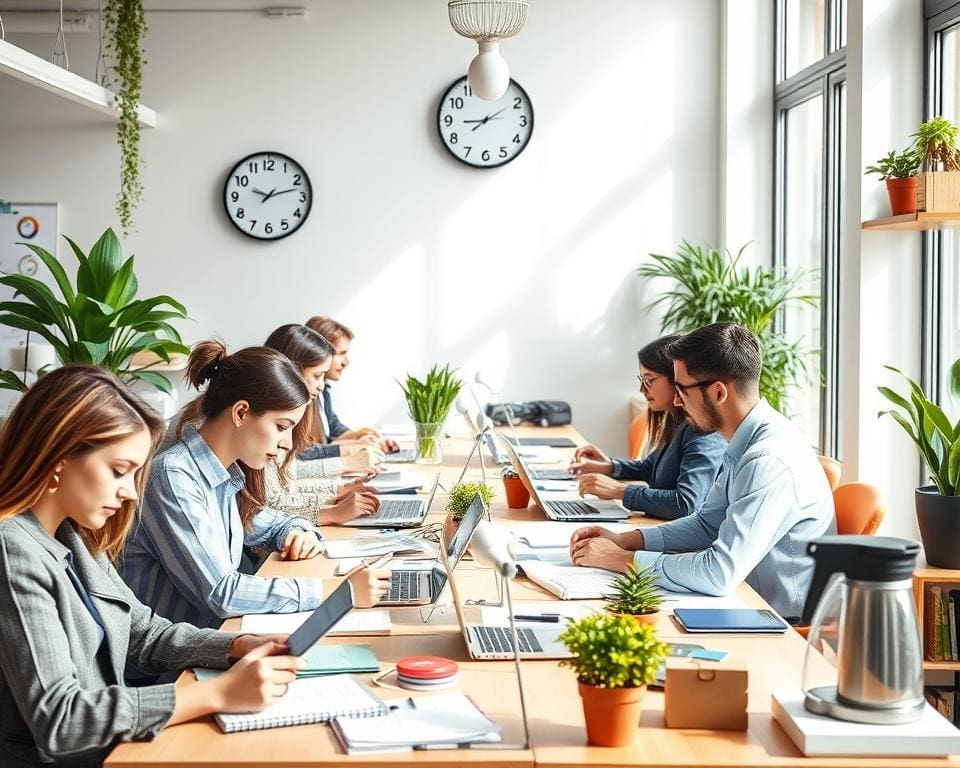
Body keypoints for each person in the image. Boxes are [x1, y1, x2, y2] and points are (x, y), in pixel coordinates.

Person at [0, 366, 309, 768]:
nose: (130, 492)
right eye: (118, 471)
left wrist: (233, 646)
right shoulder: (14, 550)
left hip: (116, 747)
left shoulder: (74, 534)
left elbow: (143, 632)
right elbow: (63, 718)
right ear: (60, 456)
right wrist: (217, 694)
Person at [569, 323, 835, 620]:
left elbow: (719, 573)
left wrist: (623, 560)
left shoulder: (767, 460)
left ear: (719, 392)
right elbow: (707, 524)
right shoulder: (745, 440)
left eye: (682, 388)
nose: (677, 401)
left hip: (776, 622)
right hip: (745, 600)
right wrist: (629, 540)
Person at [122, 341, 389, 629]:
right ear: (240, 413)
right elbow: (222, 593)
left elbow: (270, 522)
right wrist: (337, 591)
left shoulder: (227, 473)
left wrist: (296, 531)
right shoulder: (174, 478)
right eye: (282, 427)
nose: (287, 443)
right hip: (174, 667)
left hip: (218, 640)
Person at [568, 335, 724, 520]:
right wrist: (608, 466)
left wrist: (619, 491)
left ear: (676, 378)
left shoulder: (702, 430)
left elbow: (686, 504)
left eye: (649, 379)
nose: (642, 389)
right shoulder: (675, 422)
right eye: (641, 379)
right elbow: (649, 468)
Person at [263, 323, 381, 525]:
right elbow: (273, 501)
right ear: (291, 372)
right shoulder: (266, 421)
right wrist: (331, 511)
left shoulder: (307, 401)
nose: (321, 383)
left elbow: (287, 482)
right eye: (317, 376)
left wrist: (337, 490)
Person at [304, 315, 398, 455]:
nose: (346, 362)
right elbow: (309, 451)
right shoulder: (307, 395)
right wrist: (355, 445)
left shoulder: (323, 390)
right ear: (320, 352)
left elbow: (333, 427)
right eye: (341, 354)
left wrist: (363, 437)